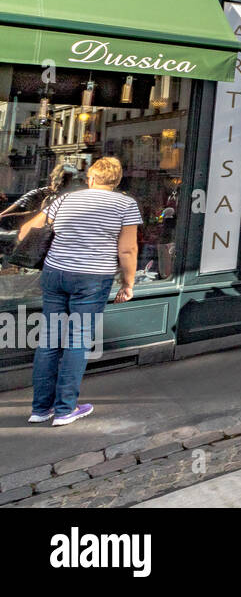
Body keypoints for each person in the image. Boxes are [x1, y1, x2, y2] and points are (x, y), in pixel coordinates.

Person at [18, 157, 141, 427]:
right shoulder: (126, 204)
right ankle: (64, 410)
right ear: (118, 181)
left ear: (91, 178)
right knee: (78, 340)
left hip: (55, 273)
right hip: (92, 278)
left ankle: (40, 409)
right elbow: (128, 250)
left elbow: (28, 230)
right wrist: (128, 284)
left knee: (49, 339)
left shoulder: (66, 199)